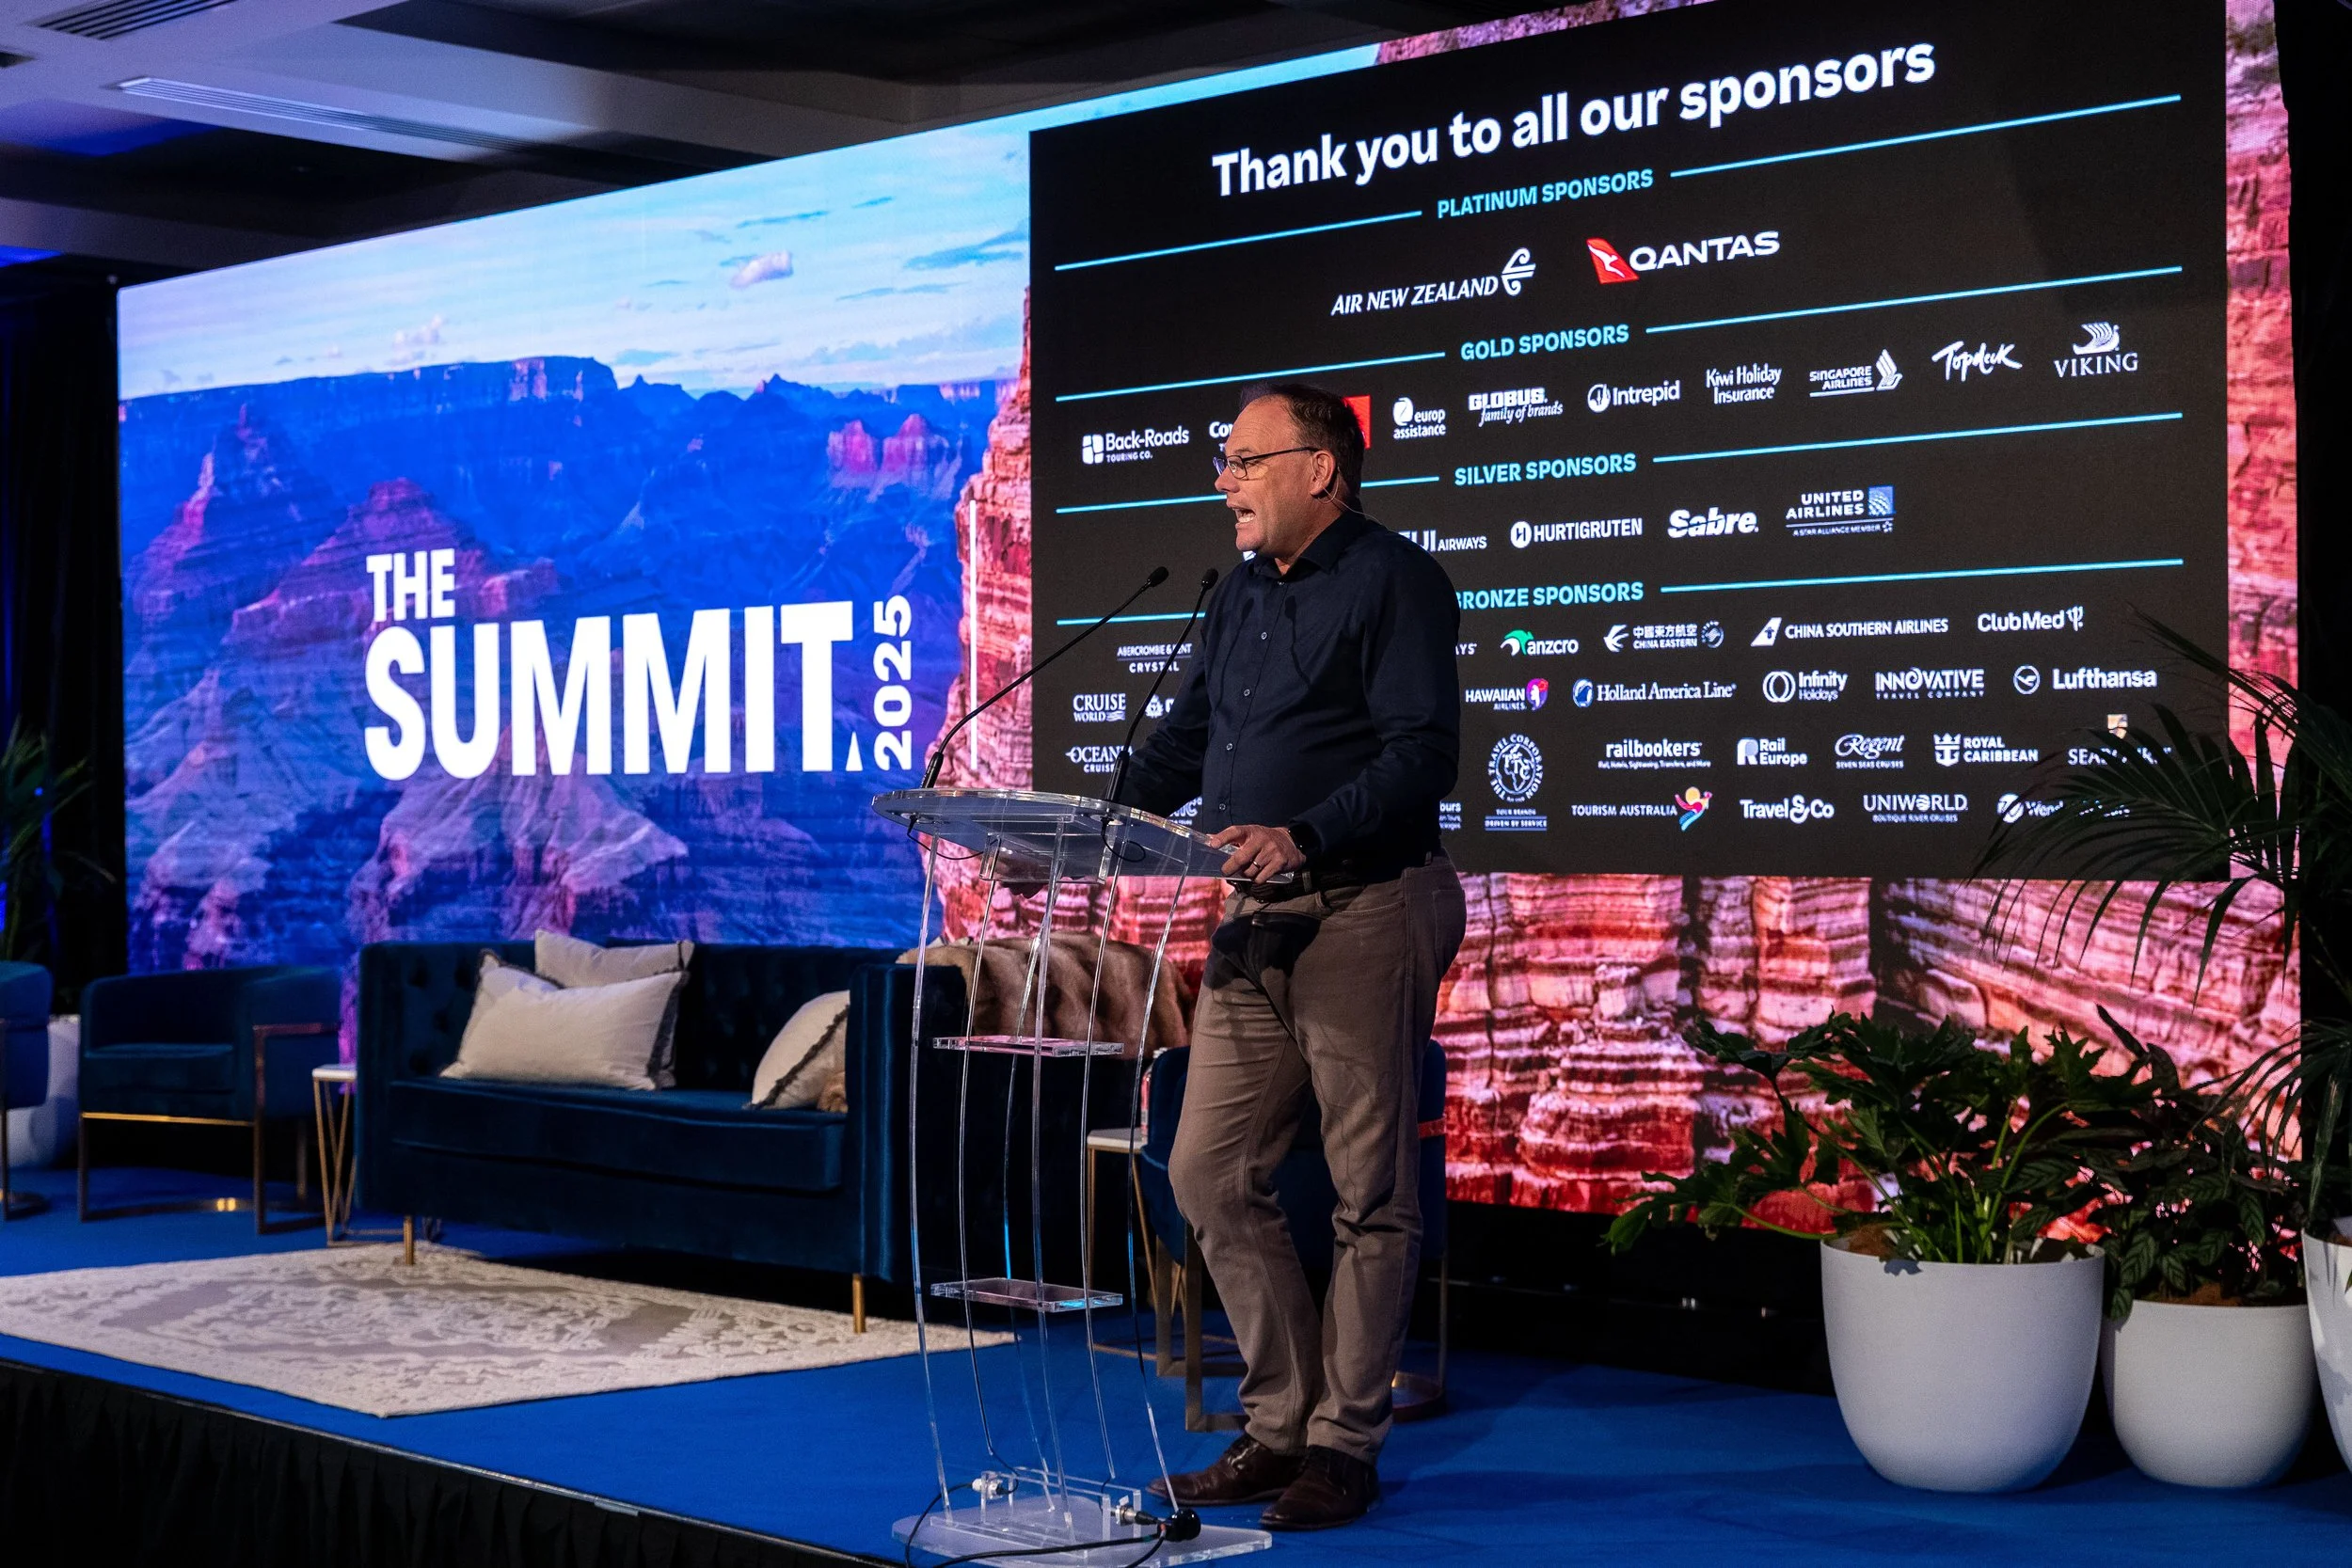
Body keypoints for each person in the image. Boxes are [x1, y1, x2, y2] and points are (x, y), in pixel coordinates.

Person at [1114, 382, 1466, 1530]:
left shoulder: (1395, 579)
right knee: (1206, 1169)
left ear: (1319, 469)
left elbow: (1422, 754)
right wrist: (1071, 822)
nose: (1224, 481)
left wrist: (1305, 830)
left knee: (1371, 1191)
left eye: (1242, 460)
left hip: (1365, 901)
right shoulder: (1235, 599)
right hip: (1253, 915)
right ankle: (1280, 1424)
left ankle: (1342, 1446)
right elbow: (1180, 744)